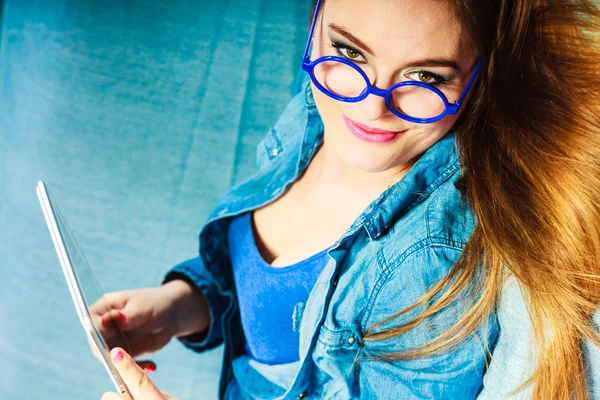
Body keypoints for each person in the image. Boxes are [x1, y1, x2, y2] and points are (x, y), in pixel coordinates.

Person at [97, 0, 600, 398]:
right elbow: (272, 292)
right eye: (350, 52)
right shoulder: (314, 114)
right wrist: (180, 305)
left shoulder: (432, 260)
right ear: (316, 18)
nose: (371, 105)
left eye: (425, 77)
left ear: (478, 77)